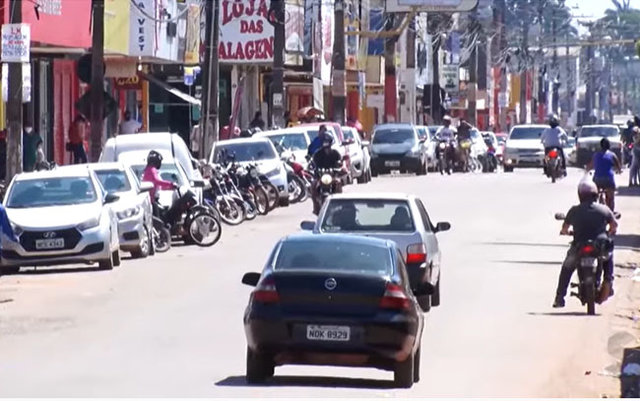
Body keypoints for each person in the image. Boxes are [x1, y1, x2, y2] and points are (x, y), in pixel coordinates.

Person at [553, 179, 618, 308]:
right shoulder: (604, 209)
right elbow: (614, 225)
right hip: (599, 246)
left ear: (580, 195)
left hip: (579, 246)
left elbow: (564, 228)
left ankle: (560, 298)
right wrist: (610, 231)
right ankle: (608, 280)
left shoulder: (574, 210)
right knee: (608, 256)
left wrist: (566, 232)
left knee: (567, 268)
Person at [587, 138, 622, 215]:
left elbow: (590, 166)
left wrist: (587, 171)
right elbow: (619, 167)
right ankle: (611, 214)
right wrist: (619, 171)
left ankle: (594, 208)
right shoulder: (612, 155)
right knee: (611, 198)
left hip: (597, 179)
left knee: (594, 195)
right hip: (608, 179)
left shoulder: (595, 155)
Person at [311, 135, 344, 214]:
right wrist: (313, 168)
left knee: (338, 182)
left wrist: (340, 167)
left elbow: (340, 163)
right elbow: (313, 164)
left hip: (332, 176)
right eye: (324, 142)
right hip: (320, 177)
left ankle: (339, 202)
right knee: (313, 185)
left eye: (327, 143)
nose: (326, 148)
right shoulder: (318, 154)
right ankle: (316, 206)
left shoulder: (335, 154)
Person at [142, 150, 177, 215]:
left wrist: (170, 187)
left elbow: (158, 186)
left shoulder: (149, 169)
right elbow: (157, 181)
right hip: (152, 200)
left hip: (153, 199)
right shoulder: (151, 169)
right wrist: (171, 184)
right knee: (158, 220)